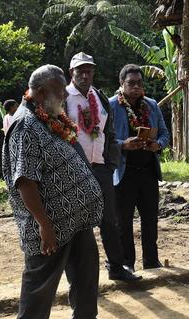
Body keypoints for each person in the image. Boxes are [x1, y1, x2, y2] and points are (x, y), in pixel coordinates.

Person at [2, 65, 117, 319]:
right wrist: (44, 224)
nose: (64, 97)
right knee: (41, 277)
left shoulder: (50, 118)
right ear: (40, 93)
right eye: (58, 91)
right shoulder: (26, 124)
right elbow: (25, 180)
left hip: (75, 218)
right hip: (51, 221)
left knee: (86, 269)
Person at [65, 52, 140, 282]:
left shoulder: (98, 96)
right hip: (75, 170)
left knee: (110, 219)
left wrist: (110, 163)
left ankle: (116, 267)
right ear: (72, 73)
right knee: (76, 223)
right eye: (81, 71)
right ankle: (77, 276)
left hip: (101, 168)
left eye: (89, 70)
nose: (86, 75)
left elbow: (109, 132)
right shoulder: (63, 97)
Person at [109, 64, 170, 273]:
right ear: (121, 84)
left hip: (148, 171)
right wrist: (123, 144)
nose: (136, 87)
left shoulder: (151, 105)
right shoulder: (110, 106)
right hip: (123, 172)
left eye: (139, 83)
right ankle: (127, 262)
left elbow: (164, 133)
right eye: (131, 83)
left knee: (150, 218)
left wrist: (158, 145)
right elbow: (104, 140)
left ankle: (151, 261)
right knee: (123, 221)